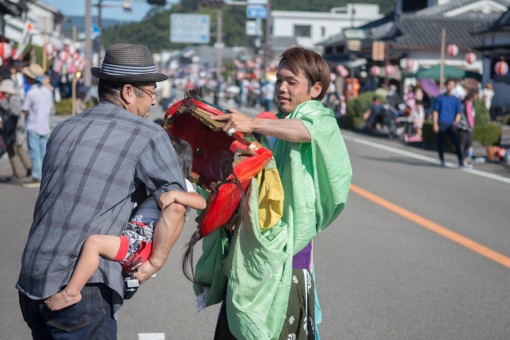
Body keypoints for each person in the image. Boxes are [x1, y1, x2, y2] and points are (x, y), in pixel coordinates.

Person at [17, 43, 187, 339]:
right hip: (82, 290)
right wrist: (154, 263)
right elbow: (175, 205)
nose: (151, 104)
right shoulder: (147, 134)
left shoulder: (64, 129)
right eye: (151, 94)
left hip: (32, 278)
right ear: (128, 92)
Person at [209, 46, 352, 339]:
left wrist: (252, 123)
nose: (282, 88)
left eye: (291, 81)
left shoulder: (318, 118)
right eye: (279, 80)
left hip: (291, 258)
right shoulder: (274, 125)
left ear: (316, 89)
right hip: (253, 250)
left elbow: (305, 131)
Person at [44, 134, 206, 311]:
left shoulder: (180, 185)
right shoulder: (156, 184)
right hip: (136, 239)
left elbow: (201, 202)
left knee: (94, 243)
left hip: (138, 242)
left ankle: (71, 293)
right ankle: (129, 282)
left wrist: (175, 194)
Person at [21, 63, 54, 187]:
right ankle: (44, 175)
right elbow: (49, 107)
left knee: (34, 152)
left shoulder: (31, 93)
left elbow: (25, 109)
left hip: (33, 125)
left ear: (31, 78)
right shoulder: (47, 92)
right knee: (43, 153)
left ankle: (36, 176)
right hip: (44, 126)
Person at [0, 79, 32, 180]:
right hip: (15, 130)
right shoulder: (13, 99)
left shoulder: (12, 100)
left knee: (12, 150)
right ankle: (28, 168)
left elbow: (16, 112)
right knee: (19, 148)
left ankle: (18, 172)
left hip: (14, 130)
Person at [433, 78, 464, 167]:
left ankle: (460, 160)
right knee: (440, 143)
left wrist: (455, 122)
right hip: (442, 124)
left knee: (456, 143)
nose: (450, 87)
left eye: (452, 85)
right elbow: (436, 111)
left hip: (451, 125)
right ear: (446, 85)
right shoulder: (440, 98)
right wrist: (435, 124)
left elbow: (458, 112)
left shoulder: (455, 99)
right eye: (449, 84)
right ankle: (441, 159)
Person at [458, 92, 477, 167]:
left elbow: (472, 115)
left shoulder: (472, 104)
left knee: (469, 144)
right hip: (462, 126)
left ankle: (465, 159)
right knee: (462, 144)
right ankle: (461, 159)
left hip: (469, 127)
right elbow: (461, 114)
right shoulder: (463, 103)